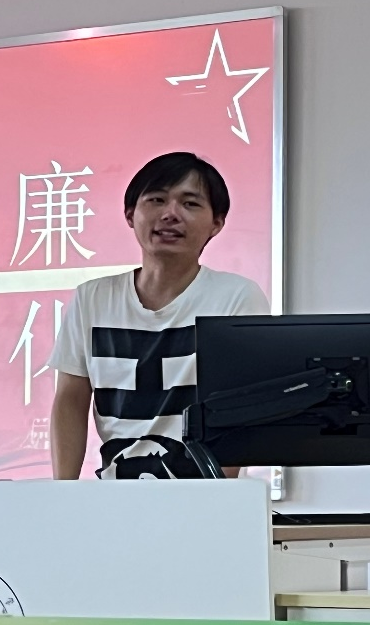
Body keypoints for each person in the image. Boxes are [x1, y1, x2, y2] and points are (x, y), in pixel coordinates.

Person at [46, 151, 270, 480]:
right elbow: (70, 399)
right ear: (130, 214)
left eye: (190, 203)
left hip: (203, 496)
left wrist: (218, 496)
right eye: (156, 200)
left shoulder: (236, 297)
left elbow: (239, 410)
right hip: (115, 493)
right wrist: (63, 493)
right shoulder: (93, 298)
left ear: (217, 223)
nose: (170, 214)